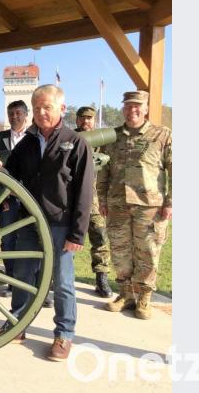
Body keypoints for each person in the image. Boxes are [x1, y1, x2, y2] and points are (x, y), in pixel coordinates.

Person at [0, 84, 94, 361]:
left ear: (62, 109)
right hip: (29, 221)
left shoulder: (76, 142)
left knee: (63, 282)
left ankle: (64, 335)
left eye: (47, 107)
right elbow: (14, 175)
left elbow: (84, 192)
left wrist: (77, 234)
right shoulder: (28, 143)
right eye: (37, 108)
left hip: (60, 224)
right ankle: (16, 326)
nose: (41, 113)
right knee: (22, 276)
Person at [97, 91, 171, 320]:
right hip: (117, 204)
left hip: (149, 206)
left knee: (148, 252)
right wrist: (102, 200)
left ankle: (144, 298)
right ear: (123, 109)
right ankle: (126, 294)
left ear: (146, 108)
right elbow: (103, 172)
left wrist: (170, 201)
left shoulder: (162, 135)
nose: (133, 110)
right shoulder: (113, 137)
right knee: (120, 253)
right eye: (128, 106)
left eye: (137, 106)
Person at [0, 100, 30, 296]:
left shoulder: (34, 138)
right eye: (11, 113)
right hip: (6, 198)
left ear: (25, 115)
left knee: (31, 239)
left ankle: (33, 284)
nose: (14, 117)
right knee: (8, 240)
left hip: (30, 197)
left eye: (18, 113)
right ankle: (12, 281)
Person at [74, 106, 112, 298]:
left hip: (95, 199)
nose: (85, 121)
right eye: (82, 118)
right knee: (67, 237)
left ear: (94, 121)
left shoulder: (103, 142)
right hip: (72, 198)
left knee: (99, 237)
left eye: (89, 118)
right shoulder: (70, 139)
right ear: (77, 120)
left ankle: (101, 277)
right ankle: (61, 276)